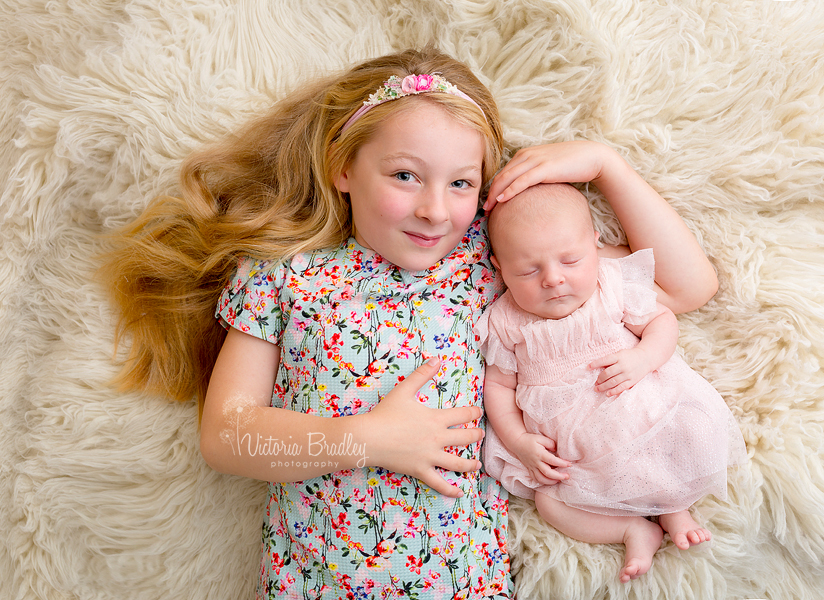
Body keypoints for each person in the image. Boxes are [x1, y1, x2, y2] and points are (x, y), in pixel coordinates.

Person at [102, 46, 719, 599]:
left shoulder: (488, 262)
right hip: (316, 581)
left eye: (460, 184)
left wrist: (607, 167)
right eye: (404, 175)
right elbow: (226, 437)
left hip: (463, 582)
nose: (433, 209)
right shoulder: (282, 277)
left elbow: (688, 286)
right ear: (343, 168)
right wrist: (369, 439)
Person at [476, 182, 747, 585]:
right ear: (498, 267)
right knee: (551, 504)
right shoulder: (505, 321)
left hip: (641, 414)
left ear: (595, 245)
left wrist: (643, 358)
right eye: (528, 270)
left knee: (687, 433)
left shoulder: (611, 285)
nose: (553, 279)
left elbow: (660, 321)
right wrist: (517, 441)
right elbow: (498, 387)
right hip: (575, 458)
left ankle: (674, 509)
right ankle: (632, 528)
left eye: (570, 260)